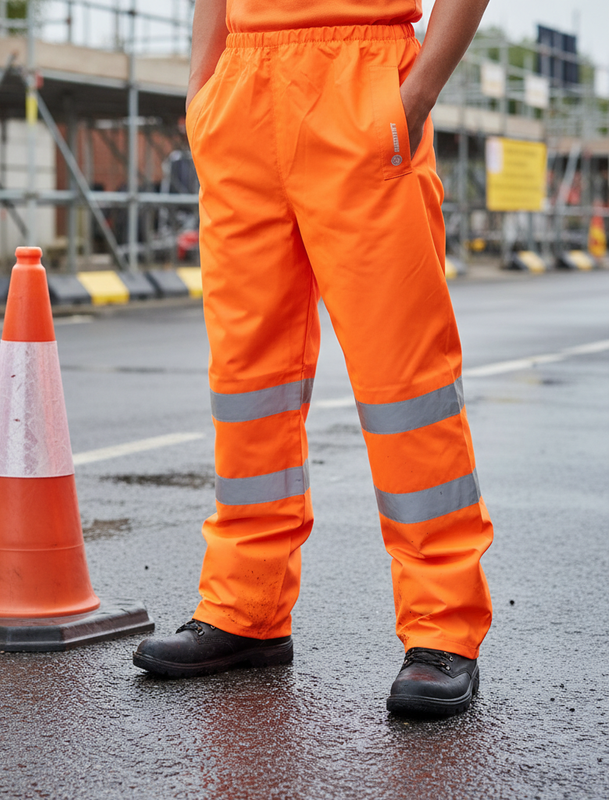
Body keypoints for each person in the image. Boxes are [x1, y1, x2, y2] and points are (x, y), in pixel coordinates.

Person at [133, 0, 494, 718]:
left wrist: (417, 92)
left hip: (361, 78)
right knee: (249, 374)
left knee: (404, 376)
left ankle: (443, 626)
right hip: (241, 86)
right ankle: (244, 608)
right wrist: (203, 87)